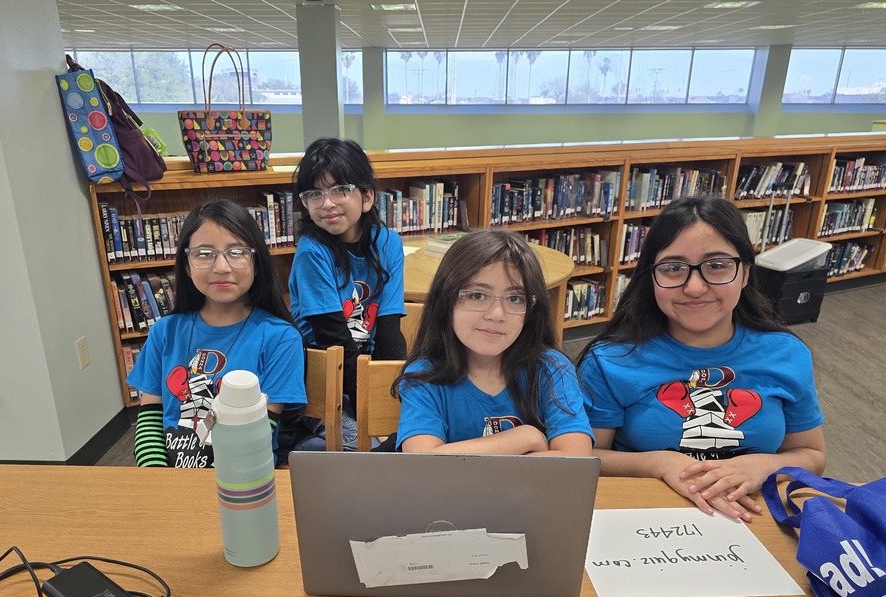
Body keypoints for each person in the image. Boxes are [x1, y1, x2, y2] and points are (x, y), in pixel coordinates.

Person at [576, 195, 826, 522]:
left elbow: (812, 455)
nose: (695, 287)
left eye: (717, 265)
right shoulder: (611, 360)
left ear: (746, 273)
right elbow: (583, 459)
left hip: (754, 519)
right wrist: (659, 462)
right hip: (645, 520)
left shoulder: (786, 354)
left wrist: (765, 465)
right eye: (674, 268)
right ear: (652, 276)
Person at [127, 199, 306, 468]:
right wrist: (159, 482)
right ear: (186, 265)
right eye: (204, 253)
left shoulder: (281, 339)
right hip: (170, 484)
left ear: (256, 262)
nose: (221, 267)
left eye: (236, 252)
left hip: (239, 480)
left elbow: (260, 432)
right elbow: (150, 422)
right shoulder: (164, 331)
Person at [394, 229, 593, 455]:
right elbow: (422, 464)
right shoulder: (423, 377)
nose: (497, 314)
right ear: (446, 301)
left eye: (515, 298)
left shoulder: (551, 369)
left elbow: (577, 462)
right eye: (477, 295)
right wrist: (525, 438)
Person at [287, 137, 406, 450]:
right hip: (327, 384)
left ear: (366, 196)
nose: (326, 203)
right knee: (363, 448)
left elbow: (391, 330)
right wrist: (376, 416)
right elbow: (333, 342)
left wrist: (392, 400)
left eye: (340, 190)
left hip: (369, 373)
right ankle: (305, 444)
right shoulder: (312, 252)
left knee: (415, 431)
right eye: (314, 194)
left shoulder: (389, 243)